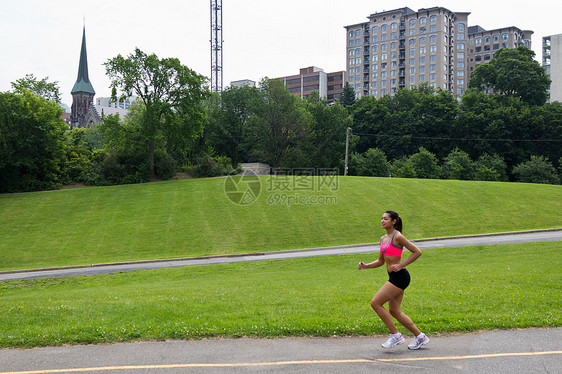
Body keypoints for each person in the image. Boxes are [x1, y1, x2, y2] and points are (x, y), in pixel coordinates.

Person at [358, 210, 430, 350]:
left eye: (385, 219)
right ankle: (420, 337)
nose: (382, 221)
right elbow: (380, 261)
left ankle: (396, 335)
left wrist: (402, 265)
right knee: (395, 311)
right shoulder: (383, 239)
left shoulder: (398, 237)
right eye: (382, 218)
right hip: (393, 277)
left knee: (376, 303)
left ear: (393, 221)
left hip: (400, 277)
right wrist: (366, 266)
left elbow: (417, 252)